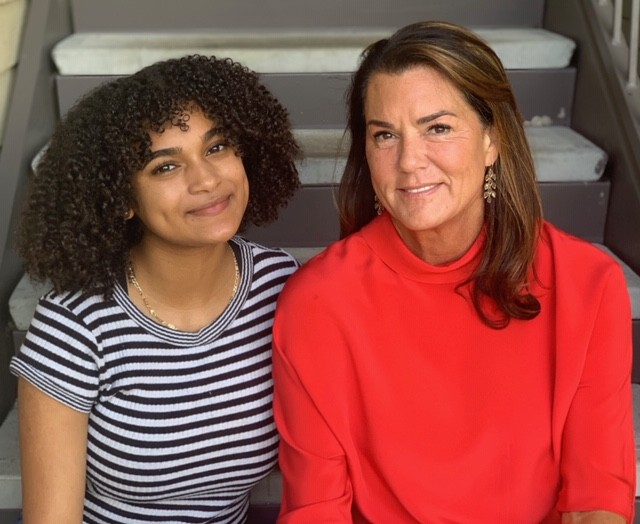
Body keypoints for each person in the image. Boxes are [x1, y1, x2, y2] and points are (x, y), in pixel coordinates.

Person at [271, 20, 636, 523]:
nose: (409, 161)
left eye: (437, 128)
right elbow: (315, 509)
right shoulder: (318, 303)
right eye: (385, 135)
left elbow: (596, 498)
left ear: (492, 140)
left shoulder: (587, 283)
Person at [10, 54, 300, 523]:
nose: (206, 180)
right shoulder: (76, 325)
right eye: (166, 167)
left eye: (217, 146)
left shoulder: (279, 284)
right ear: (122, 198)